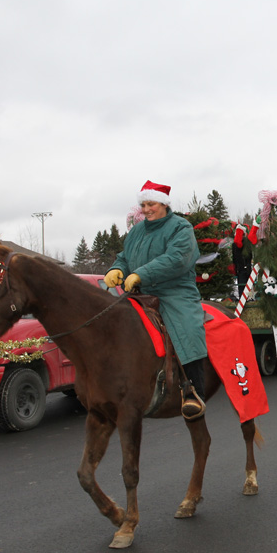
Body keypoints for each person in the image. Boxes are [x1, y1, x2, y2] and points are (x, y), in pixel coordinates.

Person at [104, 180, 207, 419]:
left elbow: (177, 259)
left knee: (188, 329)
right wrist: (117, 268)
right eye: (143, 205)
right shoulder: (137, 230)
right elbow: (125, 256)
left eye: (151, 204)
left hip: (174, 291)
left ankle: (193, 391)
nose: (146, 209)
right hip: (140, 292)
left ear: (163, 204)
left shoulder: (181, 228)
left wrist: (142, 273)